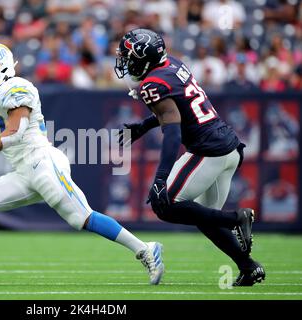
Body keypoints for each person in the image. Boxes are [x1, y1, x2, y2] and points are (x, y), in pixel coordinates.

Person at [0, 42, 164, 285]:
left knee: (82, 217)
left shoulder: (17, 87)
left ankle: (145, 249)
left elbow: (15, 131)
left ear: (2, 69)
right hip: (24, 171)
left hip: (43, 162)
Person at [115, 28, 265, 286]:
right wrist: (144, 126)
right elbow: (176, 109)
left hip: (209, 151)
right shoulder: (172, 63)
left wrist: (160, 179)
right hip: (227, 147)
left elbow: (172, 132)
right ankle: (249, 267)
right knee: (204, 216)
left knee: (165, 203)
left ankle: (237, 218)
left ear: (144, 58)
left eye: (129, 57)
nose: (126, 62)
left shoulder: (152, 84)